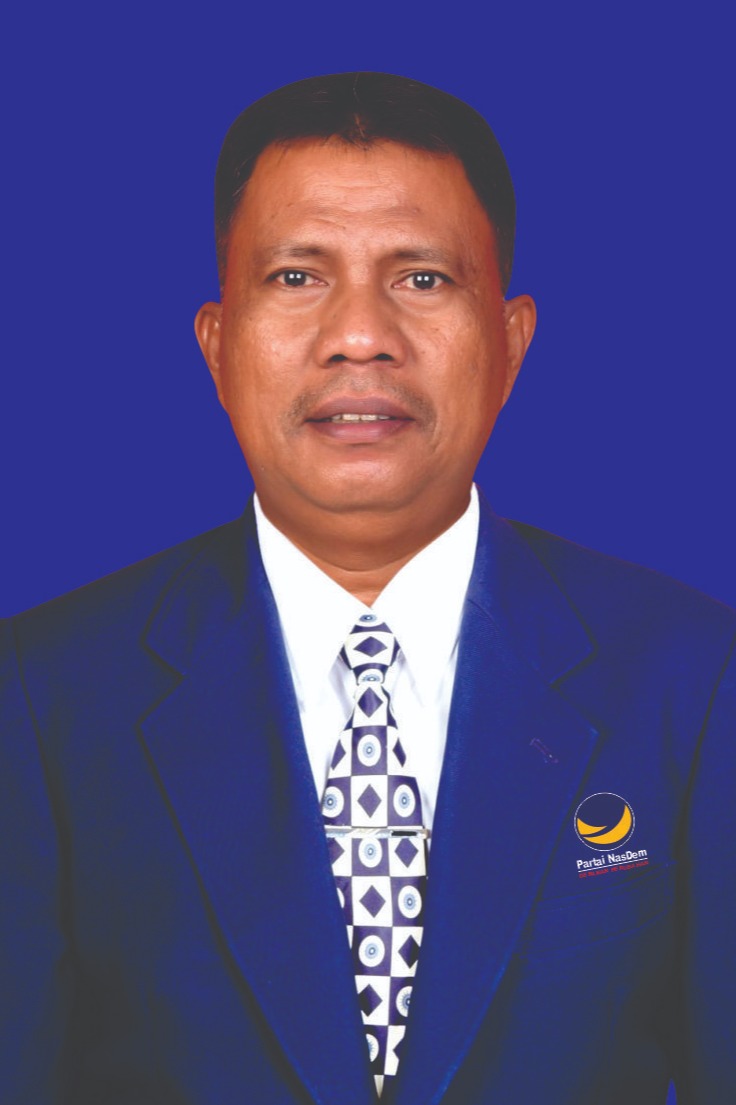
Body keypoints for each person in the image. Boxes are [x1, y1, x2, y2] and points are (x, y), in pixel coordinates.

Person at [1, 72, 734, 1105]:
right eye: (297, 276)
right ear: (217, 344)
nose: (359, 333)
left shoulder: (690, 677)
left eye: (421, 278)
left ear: (510, 342)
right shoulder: (44, 696)